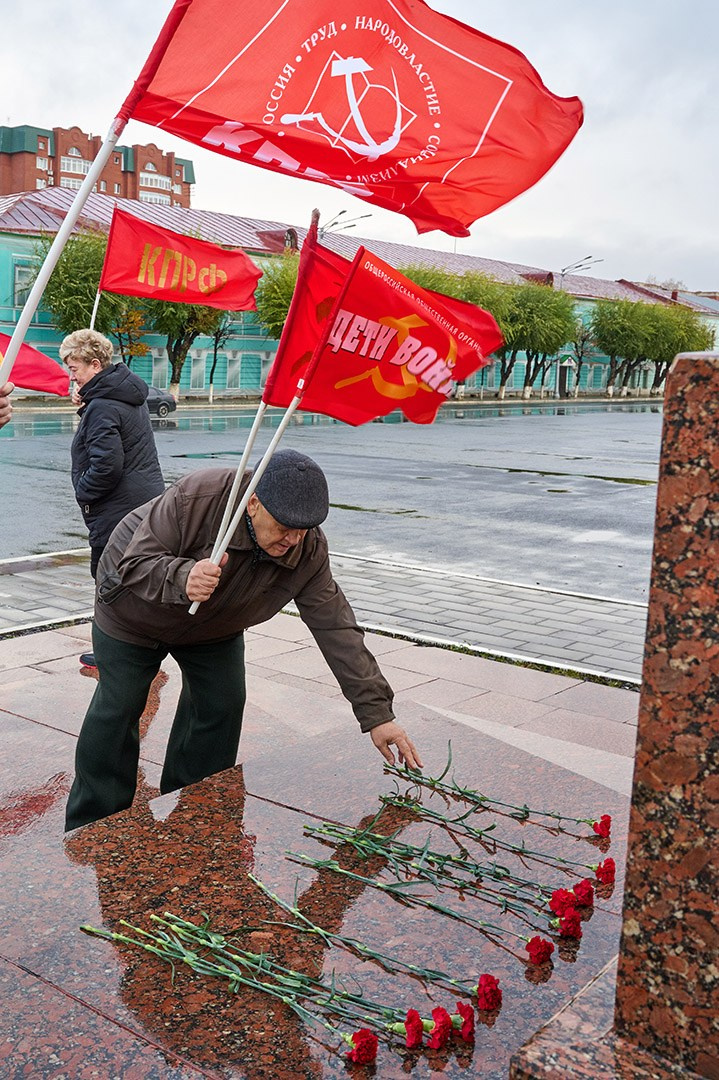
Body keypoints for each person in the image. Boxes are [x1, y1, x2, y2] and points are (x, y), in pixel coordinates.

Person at [65, 449, 423, 831]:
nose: (293, 539)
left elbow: (336, 627)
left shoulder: (307, 548)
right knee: (119, 706)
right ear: (253, 502)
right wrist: (182, 576)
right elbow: (134, 563)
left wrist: (377, 715)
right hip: (134, 608)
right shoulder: (197, 498)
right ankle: (93, 824)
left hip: (215, 624)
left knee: (222, 702)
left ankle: (194, 807)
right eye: (284, 526)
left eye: (304, 528)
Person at [59, 329, 165, 667]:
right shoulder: (123, 395)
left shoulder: (103, 405)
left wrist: (83, 492)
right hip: (143, 504)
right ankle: (143, 647)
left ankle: (112, 655)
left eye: (74, 368)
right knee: (133, 576)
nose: (70, 376)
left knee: (108, 580)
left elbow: (107, 465)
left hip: (117, 508)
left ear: (94, 364)